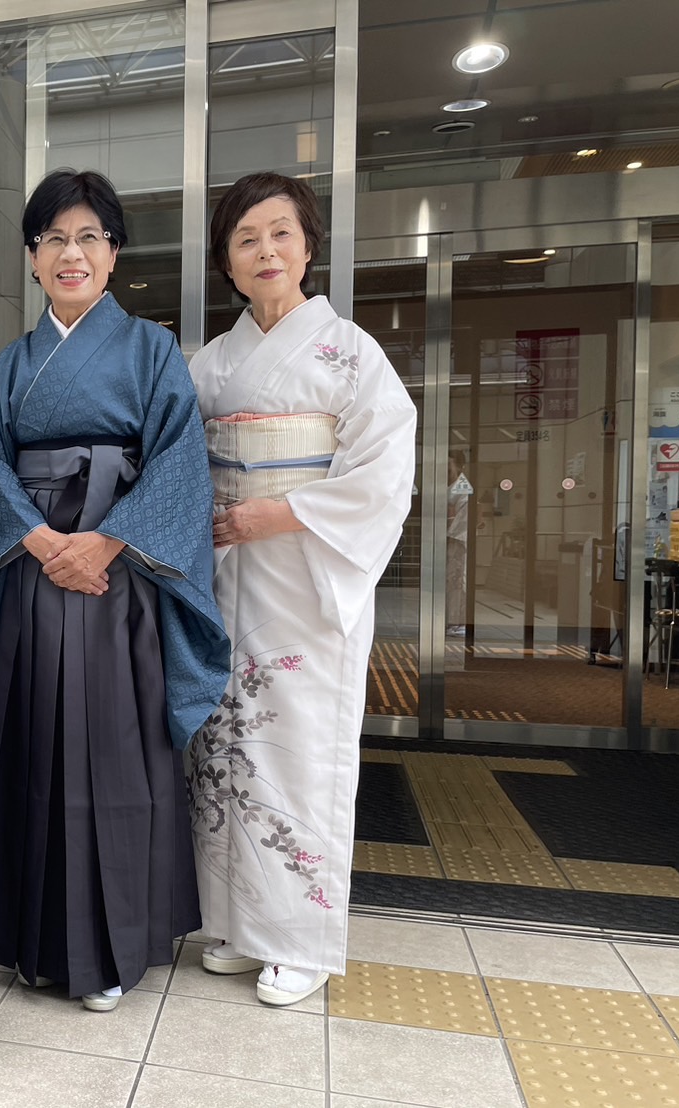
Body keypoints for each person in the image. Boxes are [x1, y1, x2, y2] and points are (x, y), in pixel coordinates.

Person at [0, 169, 229, 1013]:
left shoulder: (151, 351)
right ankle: (31, 940)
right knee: (28, 744)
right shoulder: (11, 366)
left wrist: (108, 540)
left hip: (118, 577)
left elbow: (178, 461)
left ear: (113, 255)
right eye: (53, 238)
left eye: (89, 237)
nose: (70, 253)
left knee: (113, 751)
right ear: (32, 258)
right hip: (32, 570)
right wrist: (42, 540)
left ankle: (110, 949)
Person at [187, 172, 415, 1006]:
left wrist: (276, 514)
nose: (265, 251)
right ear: (227, 262)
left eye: (279, 233)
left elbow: (383, 473)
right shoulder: (209, 364)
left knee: (300, 747)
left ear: (308, 246)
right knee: (223, 745)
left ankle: (299, 942)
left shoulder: (350, 353)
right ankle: (236, 927)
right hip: (224, 570)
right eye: (245, 239)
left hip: (305, 575)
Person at [446, 450, 473, 637]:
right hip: (450, 538)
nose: (446, 472)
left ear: (460, 467)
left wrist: (449, 516)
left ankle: (460, 621)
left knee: (457, 581)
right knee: (450, 581)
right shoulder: (449, 487)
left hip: (458, 539)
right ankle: (452, 620)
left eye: (449, 467)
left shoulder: (463, 489)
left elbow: (459, 519)